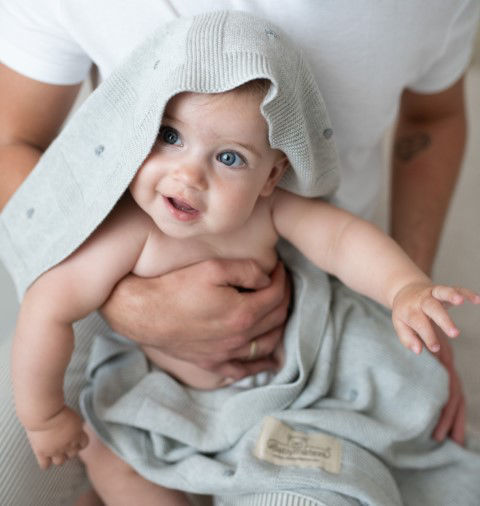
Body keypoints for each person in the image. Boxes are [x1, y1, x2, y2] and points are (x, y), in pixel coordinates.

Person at [0, 1, 478, 504]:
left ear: (271, 175)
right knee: (110, 456)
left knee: (356, 456)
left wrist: (405, 288)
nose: (189, 174)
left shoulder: (266, 210)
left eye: (229, 157)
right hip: (161, 394)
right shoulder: (125, 229)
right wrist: (44, 415)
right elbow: (47, 308)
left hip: (288, 390)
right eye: (169, 136)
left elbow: (342, 239)